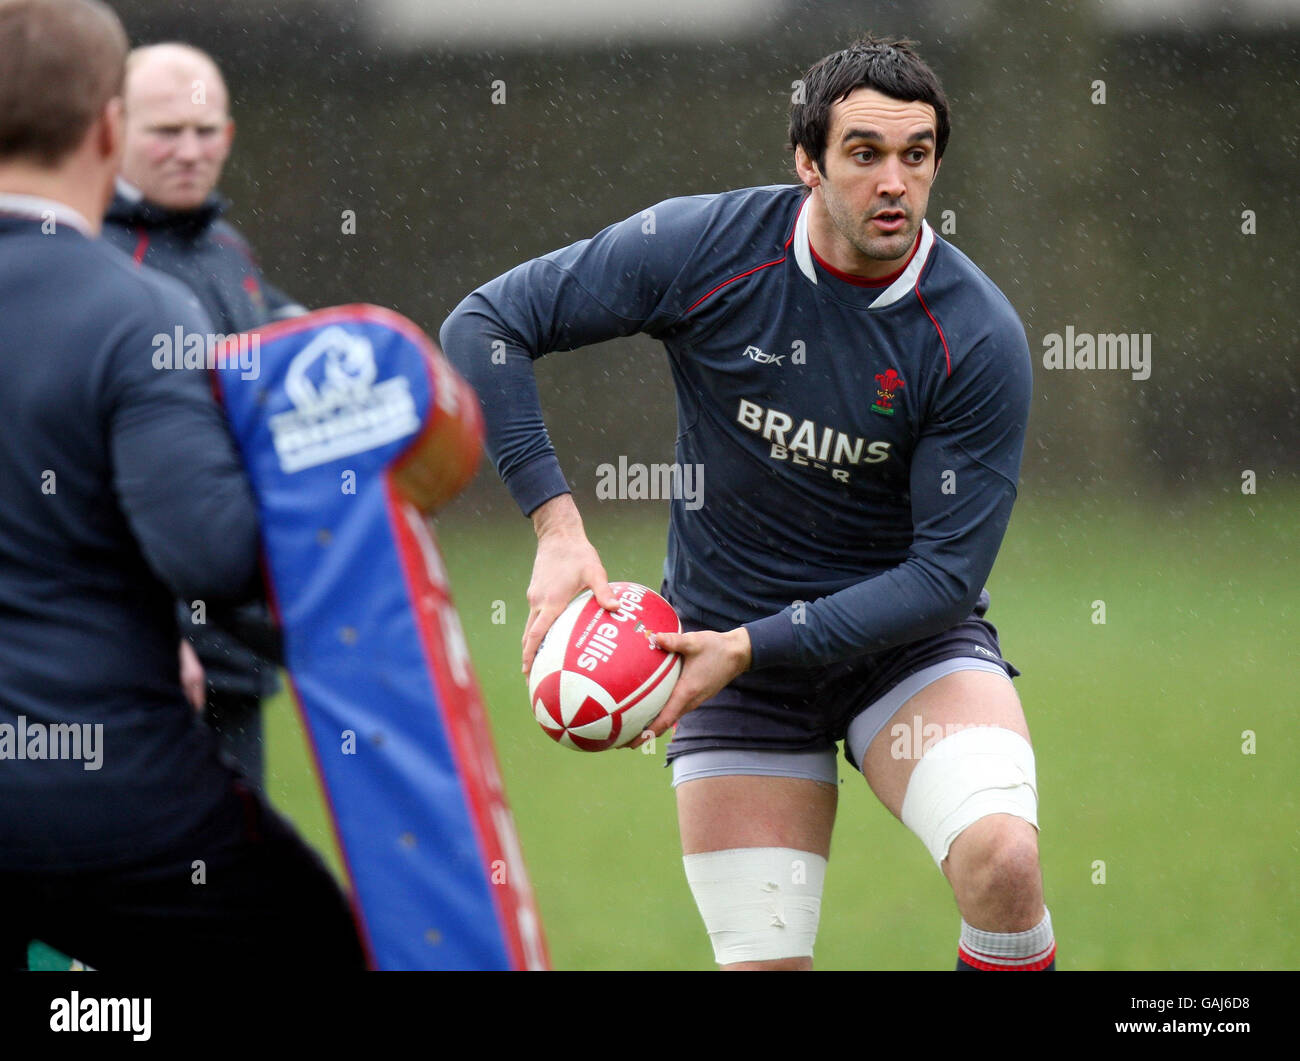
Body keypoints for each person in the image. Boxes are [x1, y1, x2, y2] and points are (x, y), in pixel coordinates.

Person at [441, 36, 1053, 971]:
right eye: (864, 153)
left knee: (1004, 860)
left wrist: (750, 642)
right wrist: (557, 529)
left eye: (916, 155)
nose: (895, 181)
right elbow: (484, 323)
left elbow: (942, 577)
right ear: (807, 163)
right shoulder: (704, 248)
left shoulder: (973, 335)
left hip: (902, 649)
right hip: (724, 665)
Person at [0, 0, 364, 969]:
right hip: (100, 776)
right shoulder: (134, 310)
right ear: (109, 128)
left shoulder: (194, 272)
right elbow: (210, 550)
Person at [100, 42, 304, 790]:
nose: (189, 150)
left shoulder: (227, 251)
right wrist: (155, 632)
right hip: (143, 661)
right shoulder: (92, 259)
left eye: (205, 129)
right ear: (111, 126)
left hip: (237, 647)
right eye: (165, 131)